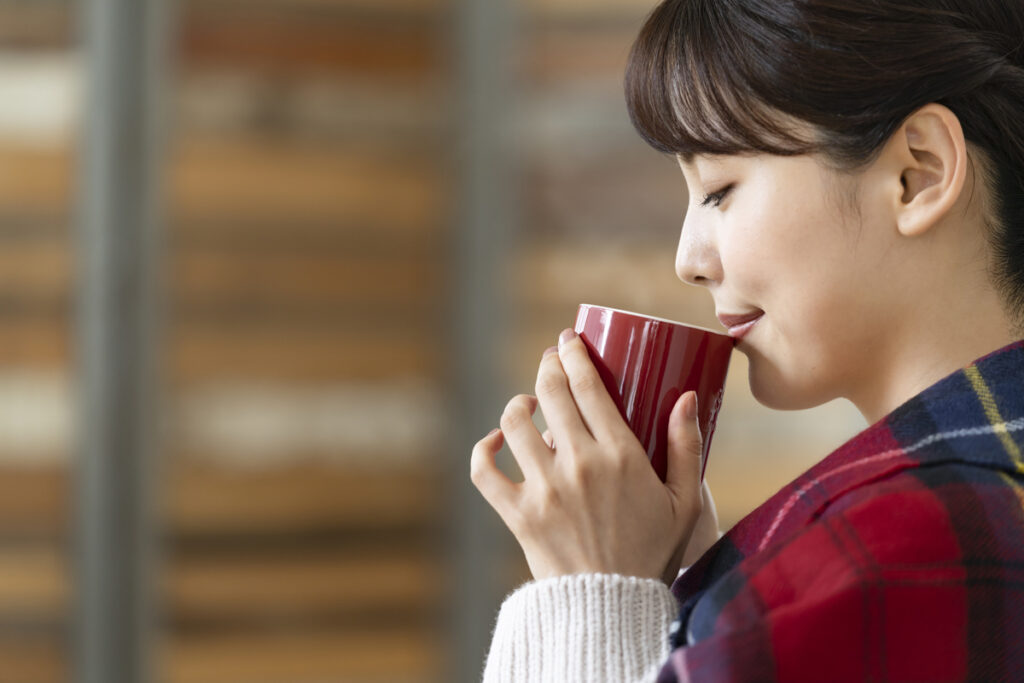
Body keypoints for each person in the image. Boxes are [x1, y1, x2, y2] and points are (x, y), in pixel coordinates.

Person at [469, 0, 1024, 680]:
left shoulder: (898, 552)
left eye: (719, 189)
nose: (688, 258)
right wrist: (703, 594)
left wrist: (593, 594)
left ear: (918, 173)